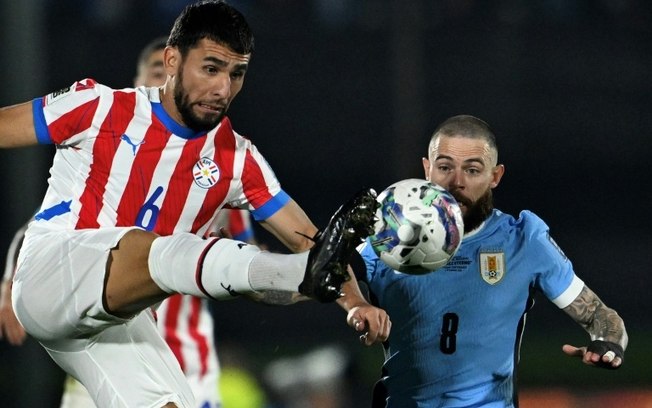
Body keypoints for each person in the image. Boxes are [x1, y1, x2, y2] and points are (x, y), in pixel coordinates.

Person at [0, 2, 391, 407]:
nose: (222, 88)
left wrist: (355, 302)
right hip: (47, 275)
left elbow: (314, 242)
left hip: (116, 320)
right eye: (210, 68)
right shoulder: (99, 107)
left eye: (235, 73)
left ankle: (297, 276)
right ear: (172, 59)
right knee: (165, 248)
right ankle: (297, 276)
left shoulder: (237, 159)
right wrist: (306, 273)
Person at [360, 115, 628, 407]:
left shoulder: (524, 240)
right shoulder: (388, 240)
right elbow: (324, 277)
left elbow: (598, 315)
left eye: (472, 169)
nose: (456, 182)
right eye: (445, 167)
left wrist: (609, 343)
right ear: (427, 169)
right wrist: (352, 298)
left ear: (495, 176)